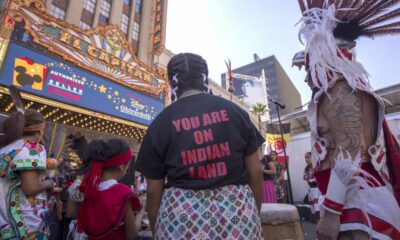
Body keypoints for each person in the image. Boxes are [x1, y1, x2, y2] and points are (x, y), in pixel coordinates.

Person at [293, 1, 400, 239]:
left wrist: (331, 212)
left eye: (309, 68)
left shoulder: (340, 90)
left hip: (358, 209)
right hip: (357, 203)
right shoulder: (348, 88)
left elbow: (350, 153)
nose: (307, 79)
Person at [135, 53, 264, 239]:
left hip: (181, 221)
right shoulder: (235, 112)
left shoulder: (160, 123)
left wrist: (158, 230)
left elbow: (154, 192)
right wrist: (252, 214)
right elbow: (256, 172)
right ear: (204, 78)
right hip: (238, 216)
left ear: (173, 82)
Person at [0, 109, 58, 239]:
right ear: (40, 130)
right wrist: (49, 183)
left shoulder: (7, 147)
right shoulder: (31, 149)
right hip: (22, 227)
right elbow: (31, 188)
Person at [75, 139, 146, 240]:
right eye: (127, 166)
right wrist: (142, 212)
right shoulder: (123, 192)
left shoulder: (88, 188)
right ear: (121, 167)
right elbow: (132, 234)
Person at [303, 152, 320, 224]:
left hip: (318, 191)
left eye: (308, 157)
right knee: (315, 210)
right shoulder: (306, 169)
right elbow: (307, 180)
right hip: (312, 191)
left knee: (319, 210)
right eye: (305, 158)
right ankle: (318, 225)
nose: (306, 159)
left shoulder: (318, 167)